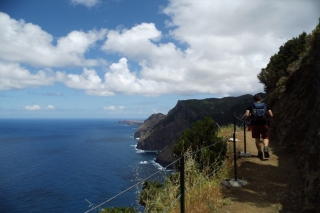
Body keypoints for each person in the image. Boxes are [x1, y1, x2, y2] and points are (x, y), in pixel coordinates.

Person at [245, 94, 273, 159]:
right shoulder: (265, 106)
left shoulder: (250, 106)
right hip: (264, 124)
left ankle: (259, 152)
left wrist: (252, 116)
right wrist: (265, 117)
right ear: (260, 99)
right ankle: (265, 148)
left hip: (255, 124)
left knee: (257, 138)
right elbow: (271, 115)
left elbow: (247, 115)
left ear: (253, 100)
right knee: (265, 137)